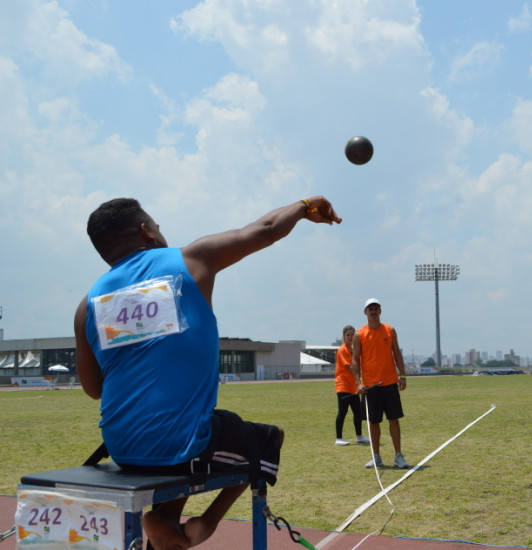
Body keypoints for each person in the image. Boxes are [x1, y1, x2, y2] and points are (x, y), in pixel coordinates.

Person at [74, 196, 341, 550]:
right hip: (181, 444)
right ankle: (206, 525)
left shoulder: (87, 305)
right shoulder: (189, 260)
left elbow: (93, 389)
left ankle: (167, 523)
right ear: (146, 231)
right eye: (157, 224)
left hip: (121, 447)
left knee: (205, 427)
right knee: (266, 439)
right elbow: (265, 229)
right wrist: (306, 204)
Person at [351, 298, 409, 469]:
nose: (373, 312)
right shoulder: (359, 334)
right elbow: (355, 360)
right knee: (373, 422)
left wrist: (403, 375)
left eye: (376, 309)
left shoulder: (390, 330)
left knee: (394, 419)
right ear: (365, 312)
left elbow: (396, 353)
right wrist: (358, 383)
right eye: (370, 309)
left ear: (380, 311)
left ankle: (398, 456)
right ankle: (376, 456)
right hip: (370, 387)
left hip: (390, 383)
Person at [334, 325, 368, 446]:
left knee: (357, 412)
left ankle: (359, 436)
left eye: (352, 334)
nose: (350, 337)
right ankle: (338, 438)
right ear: (344, 337)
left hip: (353, 386)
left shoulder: (354, 350)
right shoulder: (342, 349)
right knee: (342, 411)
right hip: (343, 385)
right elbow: (349, 367)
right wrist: (360, 376)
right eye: (348, 335)